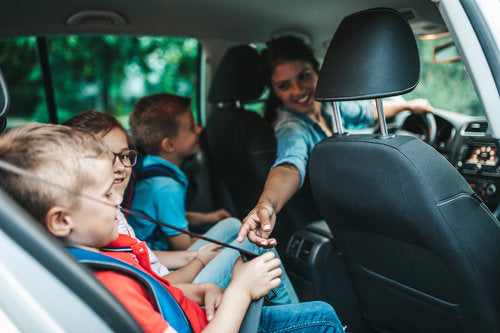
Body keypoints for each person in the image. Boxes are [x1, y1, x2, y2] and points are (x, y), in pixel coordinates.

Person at [0, 123, 345, 333]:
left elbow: (155, 288)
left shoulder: (98, 251)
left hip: (200, 313)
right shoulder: (110, 283)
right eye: (106, 195)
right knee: (321, 318)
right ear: (62, 221)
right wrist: (240, 290)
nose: (118, 203)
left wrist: (200, 289)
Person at [237, 35, 435, 248]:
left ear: (317, 72)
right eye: (284, 85)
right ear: (275, 91)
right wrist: (267, 204)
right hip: (339, 213)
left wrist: (408, 106)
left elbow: (367, 113)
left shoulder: (329, 104)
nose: (298, 90)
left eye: (304, 76)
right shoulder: (290, 126)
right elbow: (288, 166)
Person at [128, 94, 298, 304]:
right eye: (191, 127)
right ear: (169, 145)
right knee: (253, 243)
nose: (199, 130)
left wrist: (207, 218)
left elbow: (161, 217)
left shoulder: (152, 172)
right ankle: (296, 315)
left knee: (233, 225)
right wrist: (212, 252)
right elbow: (181, 243)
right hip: (170, 265)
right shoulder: (165, 187)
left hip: (158, 256)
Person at [63, 110, 222, 283]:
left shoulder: (116, 212)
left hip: (169, 278)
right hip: (173, 292)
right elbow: (157, 287)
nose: (120, 167)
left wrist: (193, 256)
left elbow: (143, 255)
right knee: (244, 249)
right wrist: (199, 261)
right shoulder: (98, 227)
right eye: (105, 157)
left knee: (231, 228)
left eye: (124, 156)